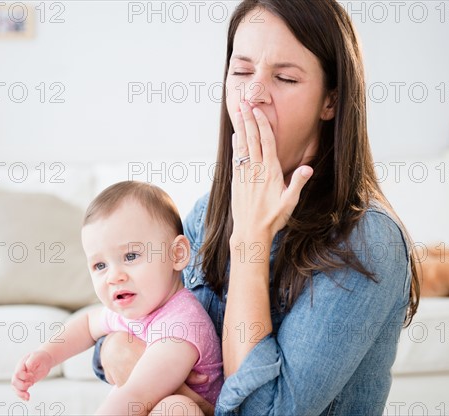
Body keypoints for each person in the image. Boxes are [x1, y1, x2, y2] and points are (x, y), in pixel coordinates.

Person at [95, 0, 420, 414]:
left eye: (284, 77)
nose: (251, 95)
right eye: (242, 72)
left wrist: (249, 239)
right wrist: (115, 353)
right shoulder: (208, 210)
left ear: (331, 101)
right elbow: (131, 325)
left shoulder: (366, 240)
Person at [11, 181, 223, 415]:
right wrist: (48, 354)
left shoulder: (183, 324)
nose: (114, 276)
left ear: (177, 254)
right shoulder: (138, 307)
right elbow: (86, 324)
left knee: (176, 408)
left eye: (130, 256)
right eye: (100, 265)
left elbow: (136, 394)